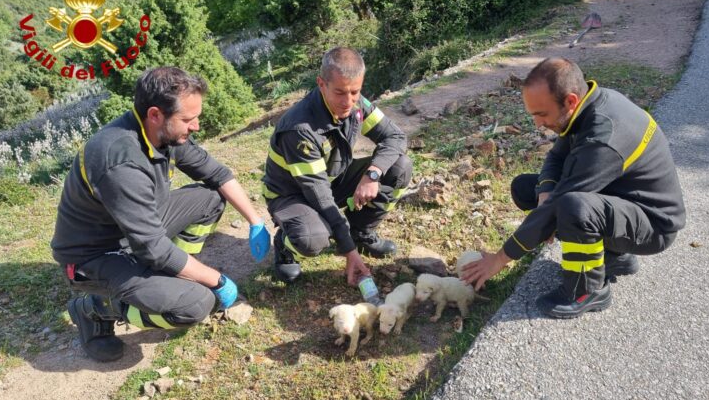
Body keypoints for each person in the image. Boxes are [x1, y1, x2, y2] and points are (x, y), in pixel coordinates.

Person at [51, 66, 271, 362]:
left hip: (138, 230)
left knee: (209, 198)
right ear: (155, 114)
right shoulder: (120, 161)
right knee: (197, 304)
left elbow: (217, 175)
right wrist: (217, 280)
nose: (196, 127)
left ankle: (177, 273)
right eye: (188, 119)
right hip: (96, 255)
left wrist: (256, 222)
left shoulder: (163, 134)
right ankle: (94, 309)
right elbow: (153, 248)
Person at [461, 57, 685, 318]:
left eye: (542, 114)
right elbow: (556, 157)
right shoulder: (588, 106)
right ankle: (615, 257)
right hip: (622, 201)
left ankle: (587, 290)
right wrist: (544, 195)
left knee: (572, 207)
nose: (538, 124)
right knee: (526, 188)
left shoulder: (603, 139)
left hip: (653, 225)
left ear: (570, 101)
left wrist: (499, 260)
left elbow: (563, 201)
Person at [262, 47, 412, 285]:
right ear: (321, 83)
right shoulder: (300, 129)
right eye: (340, 92)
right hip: (292, 195)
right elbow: (319, 195)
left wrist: (372, 175)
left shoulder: (356, 104)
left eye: (355, 91)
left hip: (332, 178)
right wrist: (348, 252)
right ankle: (286, 245)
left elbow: (395, 137)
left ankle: (360, 233)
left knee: (399, 167)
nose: (348, 102)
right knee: (314, 239)